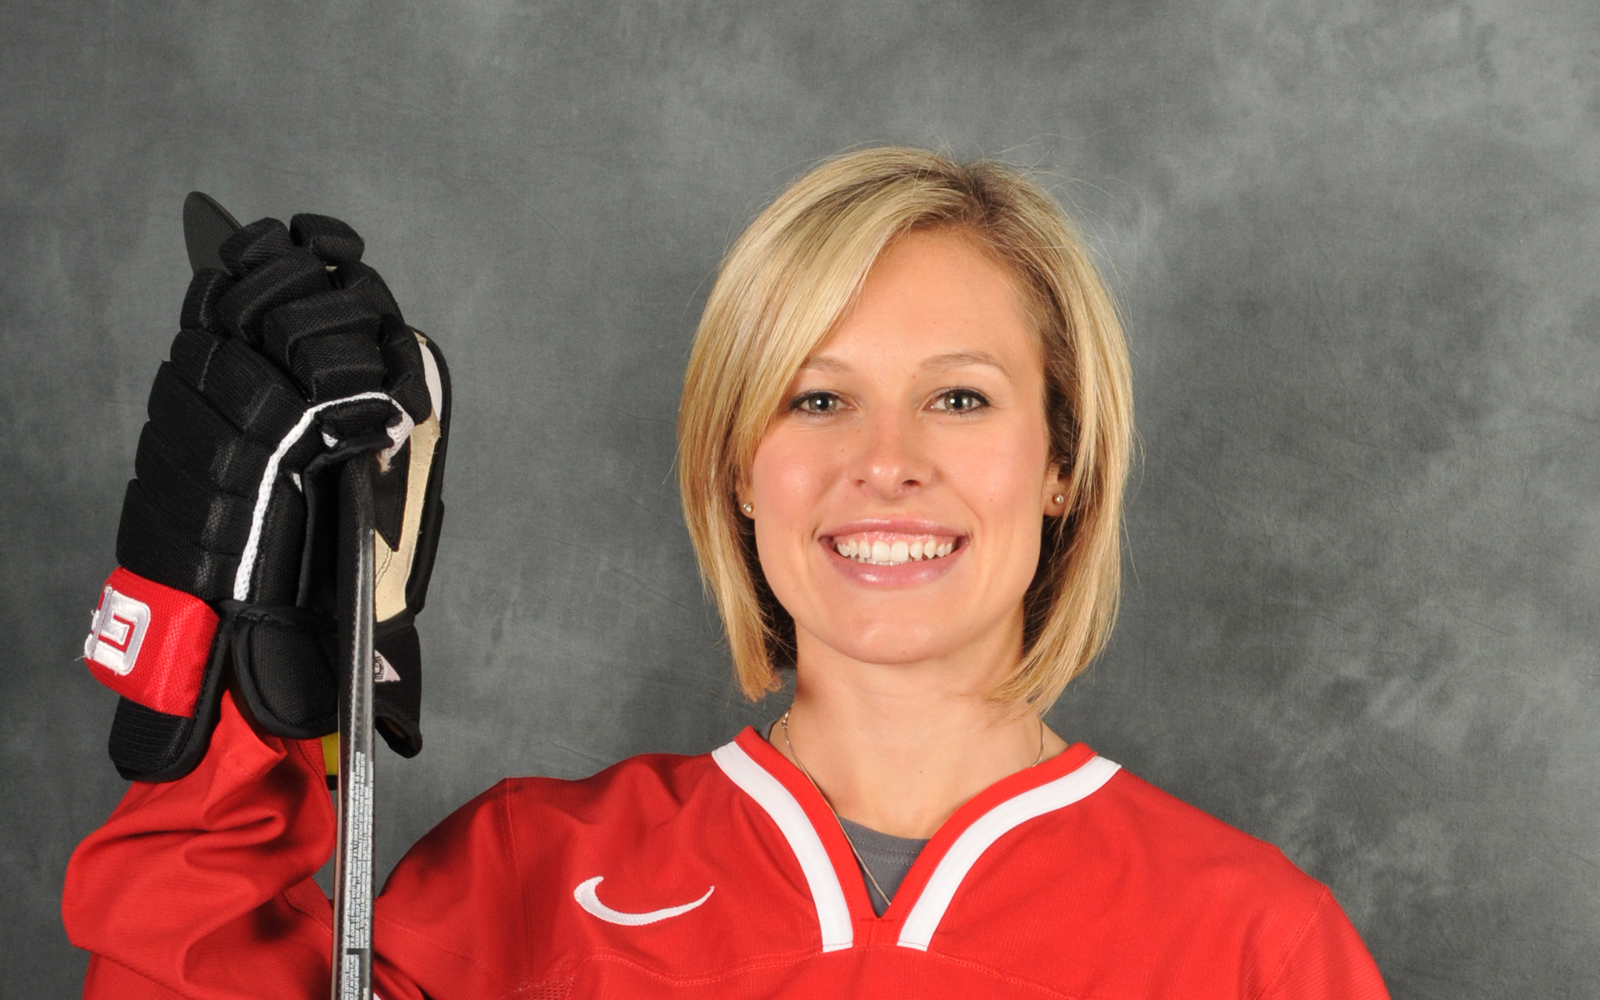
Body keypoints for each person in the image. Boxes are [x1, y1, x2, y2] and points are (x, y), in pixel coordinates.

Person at [63, 147, 1390, 998]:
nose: (887, 461)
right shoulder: (530, 880)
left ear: (1064, 465)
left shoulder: (1255, 947)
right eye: (816, 402)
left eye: (963, 400)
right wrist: (230, 648)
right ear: (740, 468)